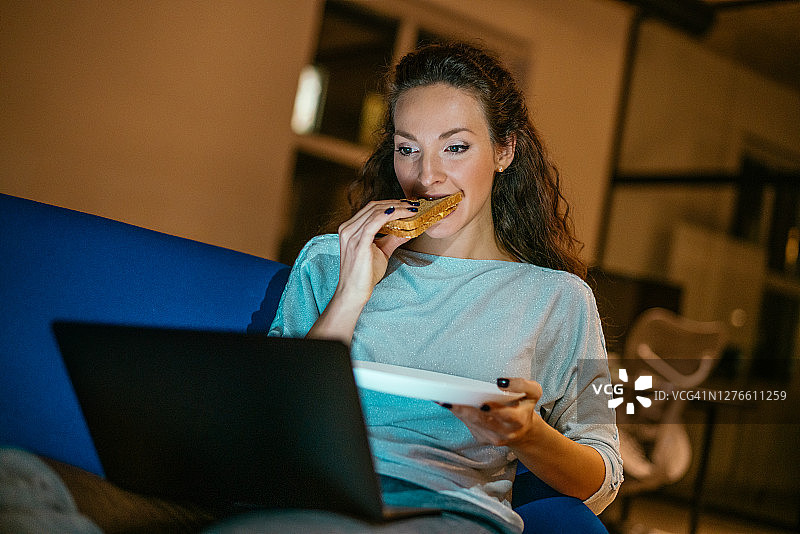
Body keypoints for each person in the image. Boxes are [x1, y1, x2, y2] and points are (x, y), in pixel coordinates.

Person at [241, 42, 622, 534]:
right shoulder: (329, 258)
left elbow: (602, 479)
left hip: (446, 518)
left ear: (504, 150)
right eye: (408, 149)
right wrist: (351, 295)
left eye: (455, 147)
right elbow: (269, 421)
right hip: (305, 499)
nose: (426, 177)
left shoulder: (560, 300)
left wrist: (528, 435)